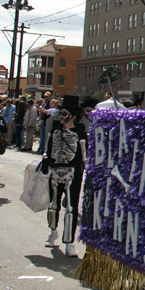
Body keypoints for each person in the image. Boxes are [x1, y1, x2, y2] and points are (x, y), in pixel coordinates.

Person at [43, 95, 87, 257]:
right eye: (60, 113)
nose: (61, 117)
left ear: (73, 116)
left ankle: (69, 242)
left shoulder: (80, 134)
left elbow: (85, 156)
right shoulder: (55, 132)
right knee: (53, 204)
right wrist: (46, 160)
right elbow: (48, 150)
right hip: (55, 171)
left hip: (72, 172)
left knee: (71, 207)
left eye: (64, 114)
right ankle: (53, 231)